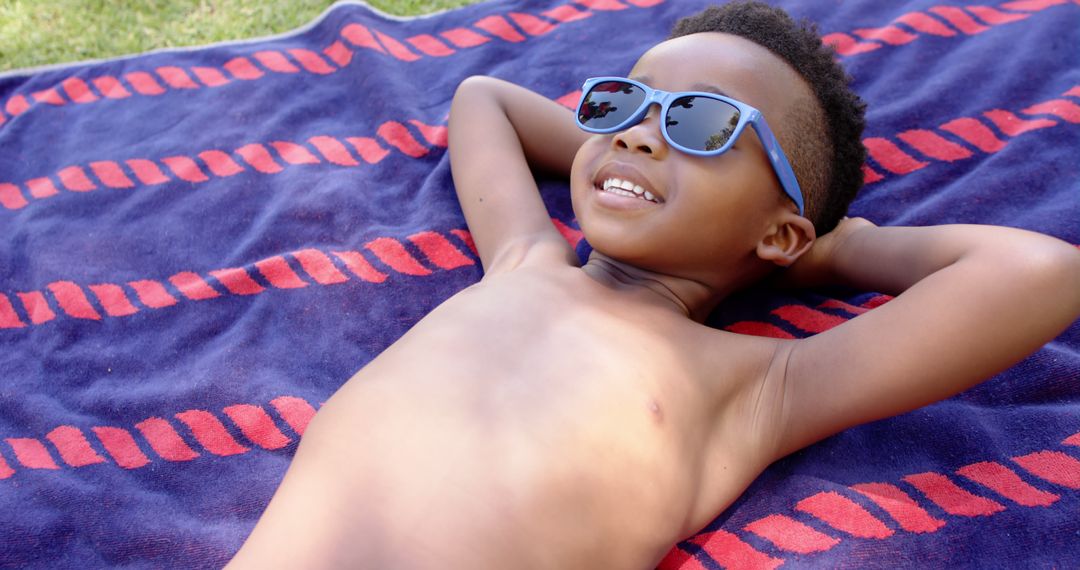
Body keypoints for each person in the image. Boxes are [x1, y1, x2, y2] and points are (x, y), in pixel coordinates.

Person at [227, 2, 1080, 568]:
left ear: (780, 230)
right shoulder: (524, 260)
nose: (640, 134)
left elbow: (1039, 273)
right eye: (625, 103)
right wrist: (620, 153)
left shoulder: (755, 389)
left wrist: (826, 249)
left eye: (701, 123)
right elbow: (485, 99)